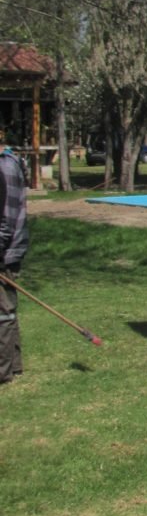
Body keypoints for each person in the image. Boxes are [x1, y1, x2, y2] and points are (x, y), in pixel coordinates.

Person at [0, 135, 29, 384]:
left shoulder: (5, 167)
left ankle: (3, 370)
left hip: (5, 253)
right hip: (6, 250)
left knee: (3, 314)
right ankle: (14, 365)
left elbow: (5, 221)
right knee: (6, 311)